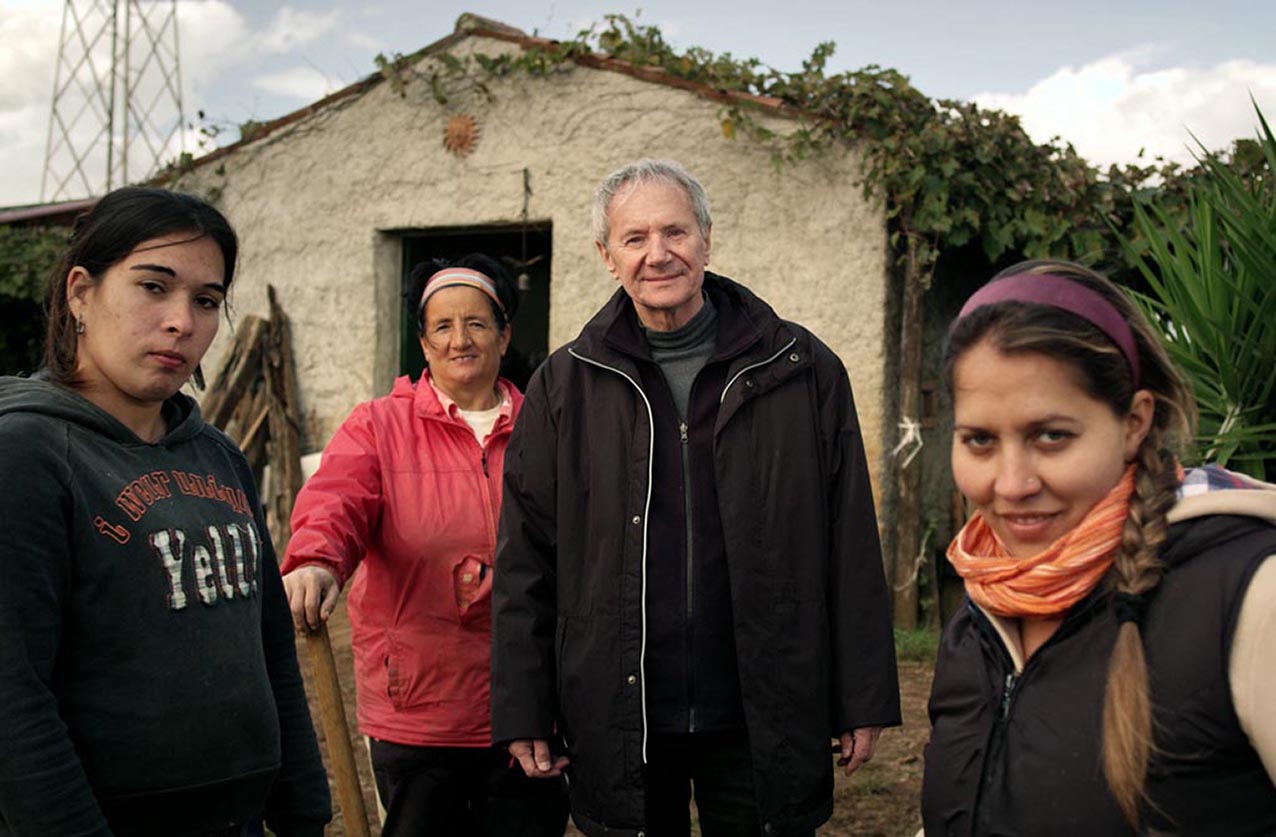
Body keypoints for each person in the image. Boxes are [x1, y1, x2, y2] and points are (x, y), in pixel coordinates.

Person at [491, 158, 901, 836]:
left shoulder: (800, 368)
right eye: (635, 237)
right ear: (606, 255)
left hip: (760, 704)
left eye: (676, 231)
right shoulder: (565, 384)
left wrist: (861, 694)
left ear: (706, 240)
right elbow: (526, 560)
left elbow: (849, 540)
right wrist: (524, 707)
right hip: (620, 711)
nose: (659, 254)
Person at [0, 187, 331, 836]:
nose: (183, 321)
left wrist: (305, 810)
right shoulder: (28, 456)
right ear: (79, 292)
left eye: (206, 301)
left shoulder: (218, 458)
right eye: (154, 287)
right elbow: (13, 701)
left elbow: (271, 651)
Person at [922, 259, 1276, 835]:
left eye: (1052, 436)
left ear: (1135, 423)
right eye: (980, 440)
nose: (1012, 485)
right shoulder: (981, 611)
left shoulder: (1249, 600)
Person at [281, 255, 569, 836]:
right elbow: (338, 499)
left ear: (505, 334)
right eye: (443, 326)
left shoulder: (548, 425)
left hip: (527, 703)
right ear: (423, 341)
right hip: (418, 705)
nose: (460, 339)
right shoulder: (379, 426)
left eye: (478, 324)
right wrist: (316, 559)